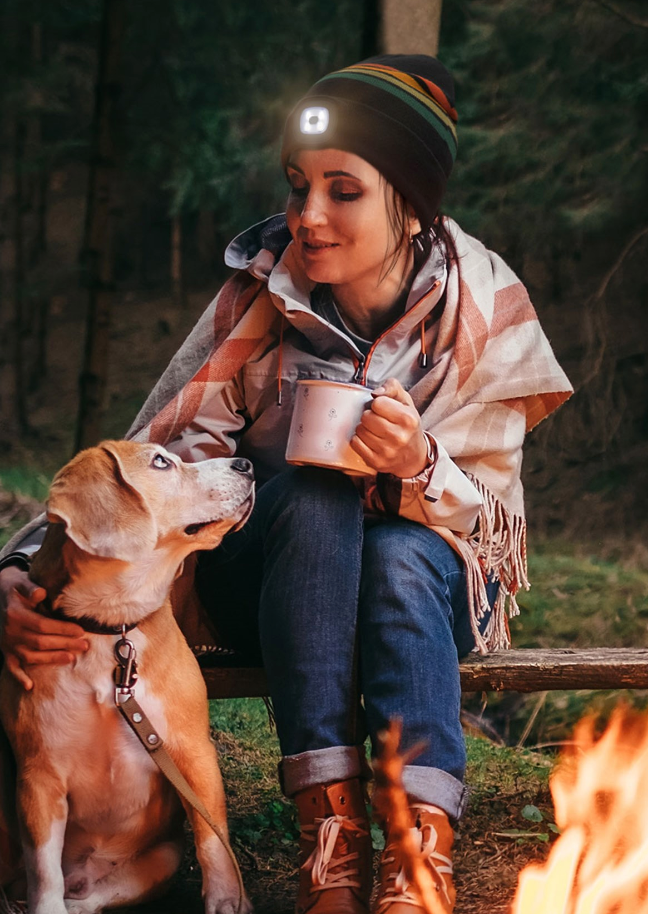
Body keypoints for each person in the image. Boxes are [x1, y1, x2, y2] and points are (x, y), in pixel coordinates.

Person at [0, 55, 572, 914]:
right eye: (298, 185)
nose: (307, 216)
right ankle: (330, 849)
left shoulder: (484, 313)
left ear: (409, 204)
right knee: (309, 497)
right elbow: (147, 460)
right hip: (272, 586)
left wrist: (418, 463)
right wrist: (22, 573)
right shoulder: (260, 293)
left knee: (402, 558)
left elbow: (487, 529)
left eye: (343, 191)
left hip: (420, 592)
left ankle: (421, 864)